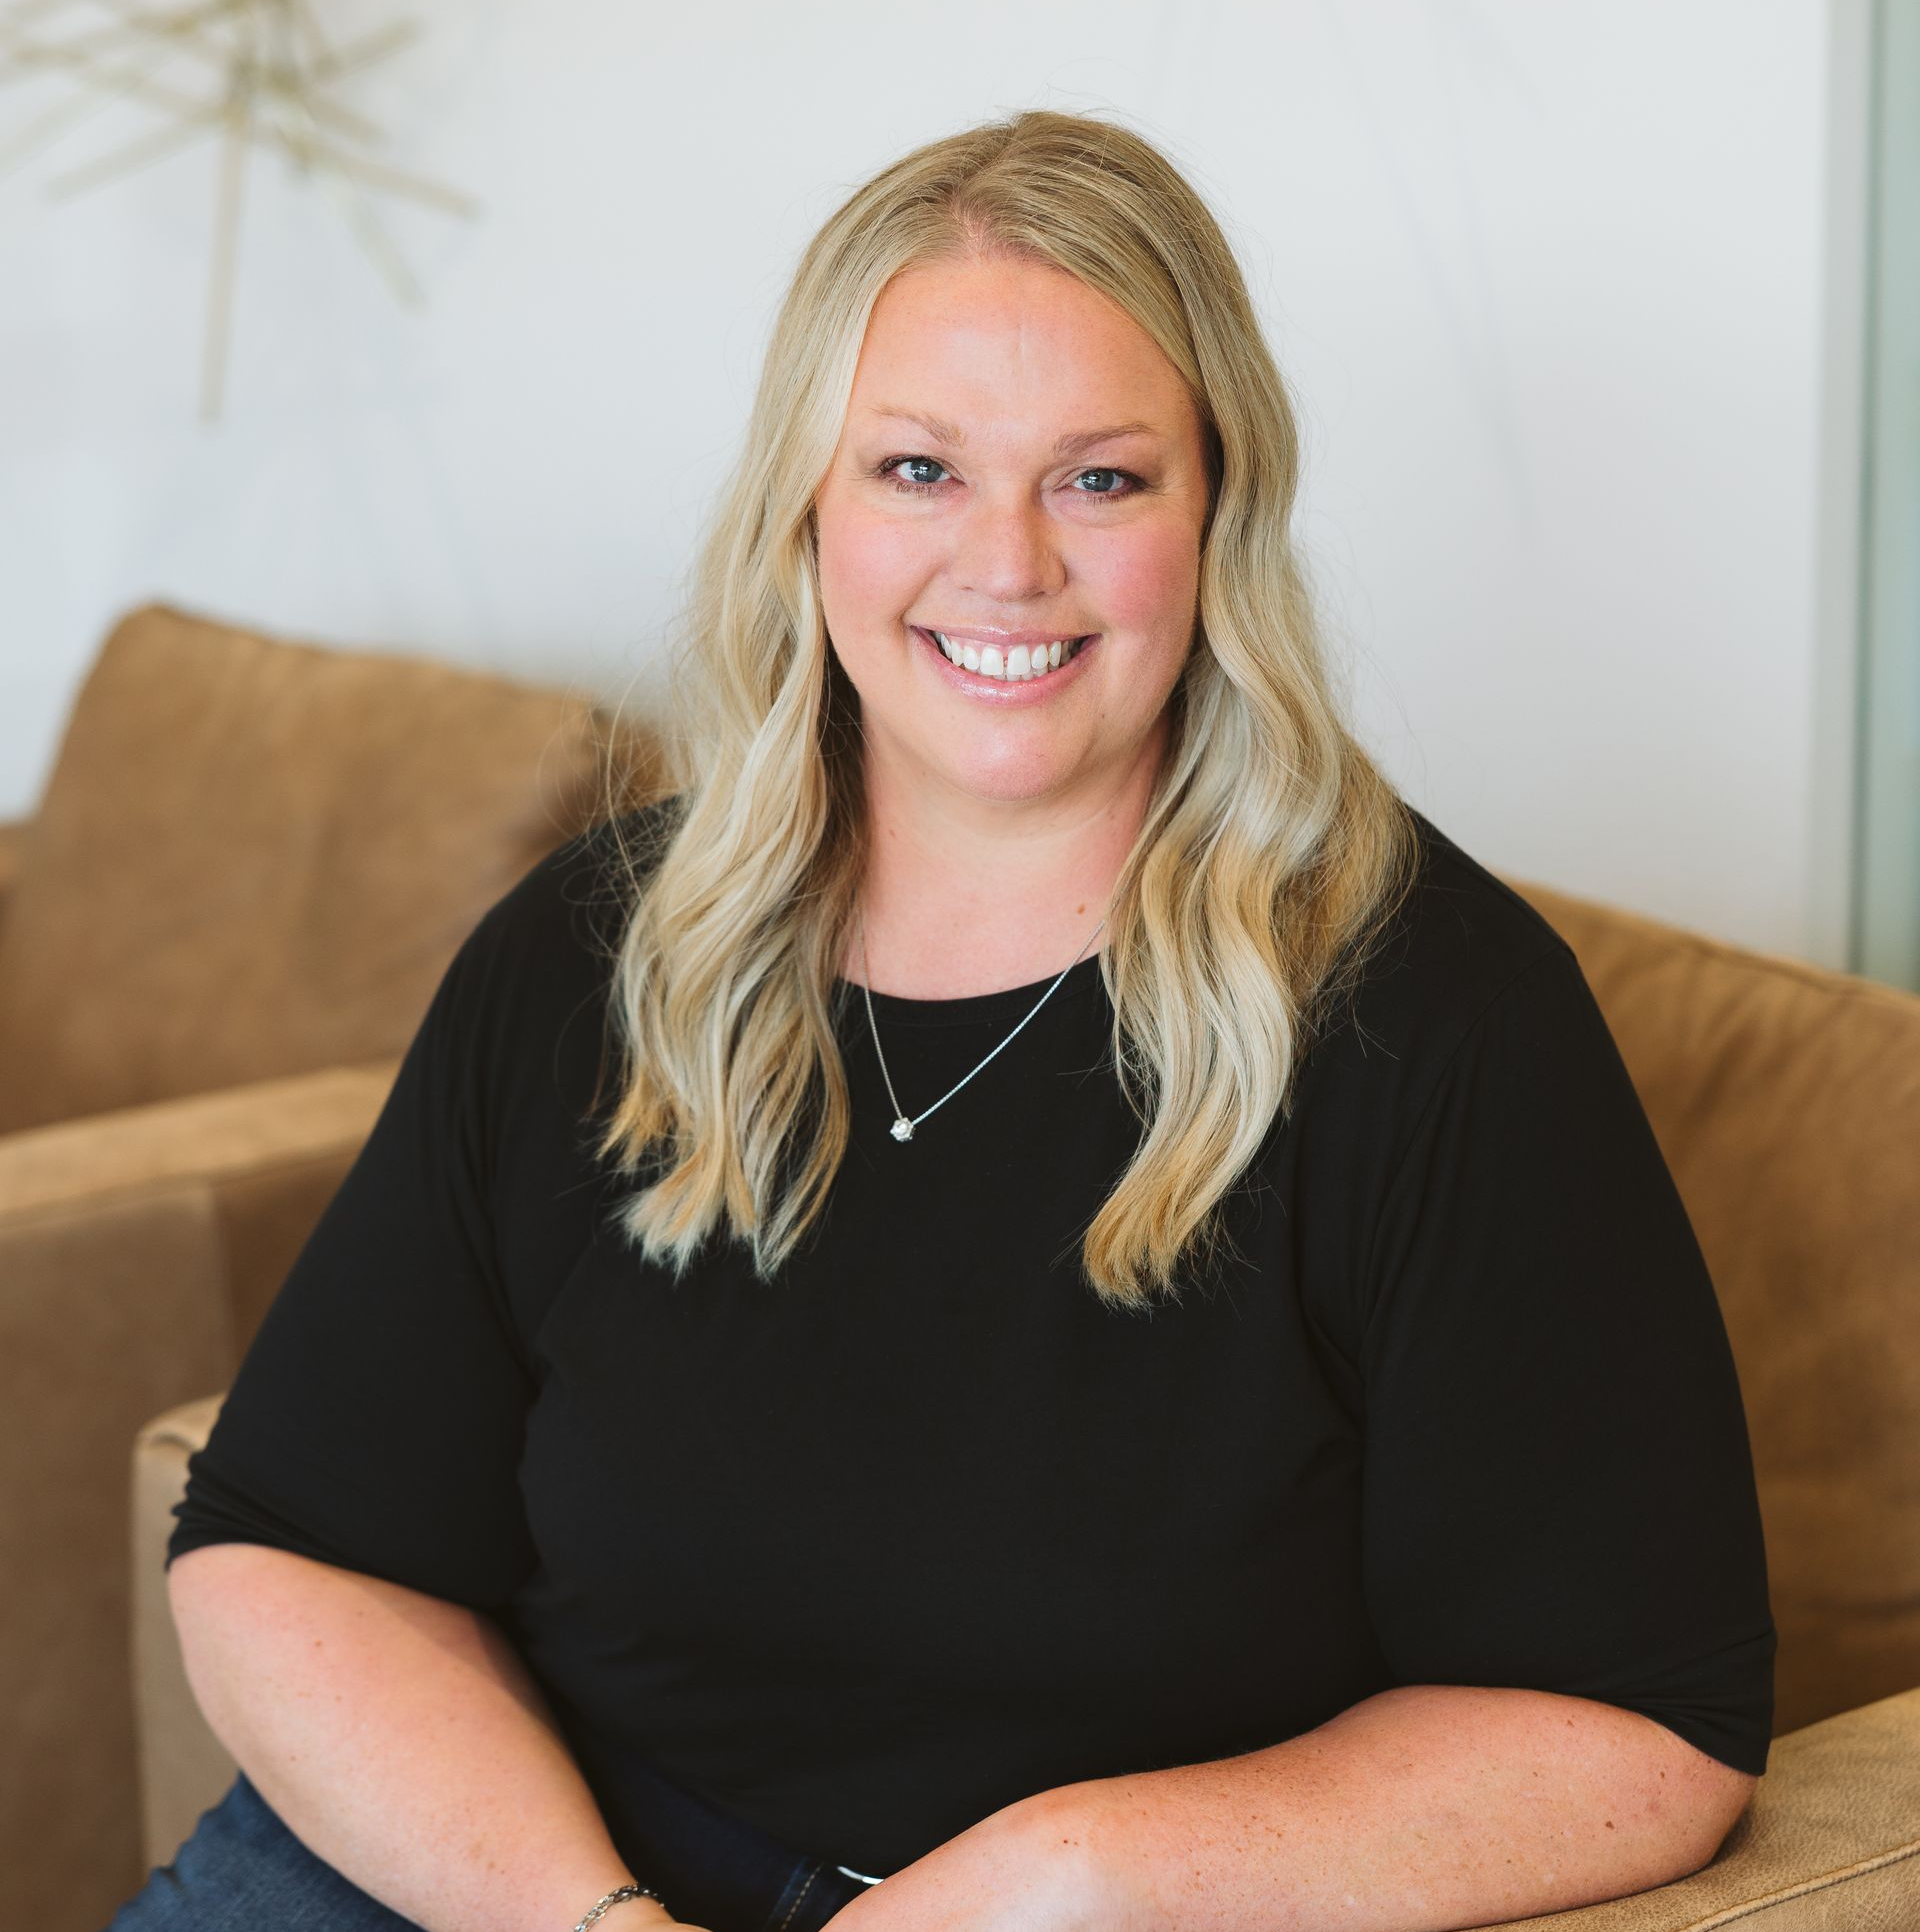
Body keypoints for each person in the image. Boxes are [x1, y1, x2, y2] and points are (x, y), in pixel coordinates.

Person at [109, 108, 1774, 1932]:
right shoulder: (601, 953)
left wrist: (1060, 1879)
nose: (1006, 564)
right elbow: (287, 1543)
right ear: (803, 506)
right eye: (917, 469)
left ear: (1217, 512)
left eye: (1100, 479)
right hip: (505, 1881)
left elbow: (1639, 1725)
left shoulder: (1432, 1018)